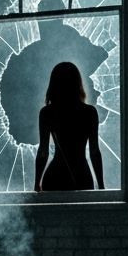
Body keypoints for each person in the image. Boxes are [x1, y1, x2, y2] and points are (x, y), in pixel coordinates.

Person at [34, 61, 106, 192]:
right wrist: (101, 185)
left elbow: (43, 151)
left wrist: (36, 183)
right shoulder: (89, 112)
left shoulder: (47, 113)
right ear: (78, 83)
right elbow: (94, 151)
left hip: (55, 176)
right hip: (82, 176)